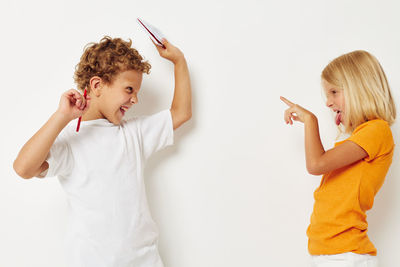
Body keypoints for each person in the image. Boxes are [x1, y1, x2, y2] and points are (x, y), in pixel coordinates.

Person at [13, 36, 191, 267]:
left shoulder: (133, 133)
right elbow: (23, 168)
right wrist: (62, 116)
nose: (135, 99)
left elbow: (181, 113)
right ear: (97, 86)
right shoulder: (70, 140)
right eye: (129, 89)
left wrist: (179, 61)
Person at [281, 50, 396, 267]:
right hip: (330, 253)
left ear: (359, 89)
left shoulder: (377, 131)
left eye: (334, 92)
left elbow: (317, 164)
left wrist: (310, 121)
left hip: (346, 256)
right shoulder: (362, 136)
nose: (328, 102)